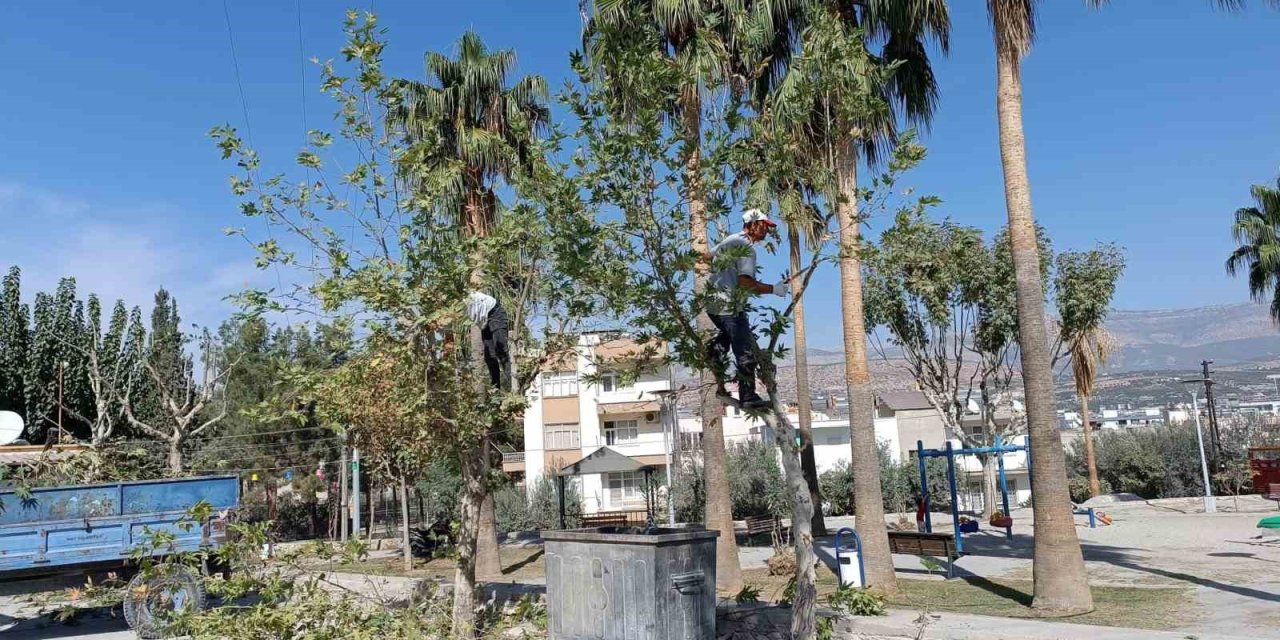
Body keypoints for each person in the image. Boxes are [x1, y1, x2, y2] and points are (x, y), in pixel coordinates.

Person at [706, 209, 789, 410]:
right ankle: (748, 396)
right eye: (764, 226)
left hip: (712, 305)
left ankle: (716, 351)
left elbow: (707, 256)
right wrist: (774, 289)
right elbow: (745, 283)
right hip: (730, 307)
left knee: (729, 337)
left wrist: (723, 275)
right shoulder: (746, 249)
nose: (766, 231)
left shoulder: (729, 240)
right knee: (745, 352)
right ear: (752, 225)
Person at [466, 291, 511, 390]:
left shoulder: (460, 300)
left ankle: (510, 386)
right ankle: (496, 389)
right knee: (489, 356)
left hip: (495, 312)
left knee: (501, 350)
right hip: (485, 321)